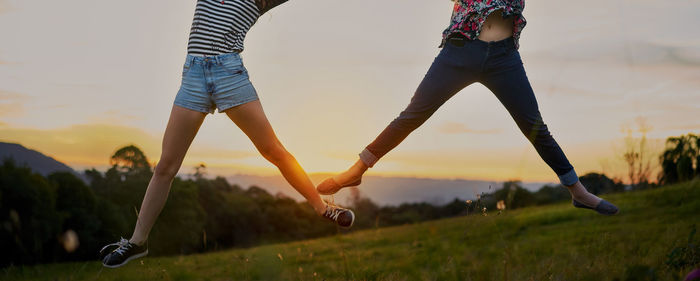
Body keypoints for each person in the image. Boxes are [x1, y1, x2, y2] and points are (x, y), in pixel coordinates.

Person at [100, 0, 354, 268]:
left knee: (273, 150)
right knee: (165, 166)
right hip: (194, 77)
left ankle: (323, 208)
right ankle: (137, 242)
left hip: (229, 75)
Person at [317, 0, 619, 216]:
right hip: (460, 50)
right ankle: (356, 170)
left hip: (504, 57)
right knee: (411, 116)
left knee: (535, 127)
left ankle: (577, 192)